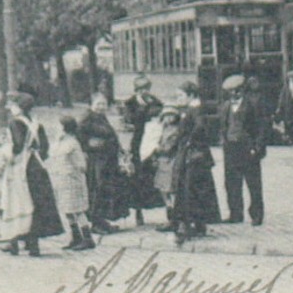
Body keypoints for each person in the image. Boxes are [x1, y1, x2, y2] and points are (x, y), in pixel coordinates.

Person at [0, 88, 64, 257]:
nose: (11, 108)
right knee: (36, 203)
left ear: (19, 107)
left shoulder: (15, 123)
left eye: (13, 105)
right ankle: (33, 245)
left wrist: (4, 152)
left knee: (14, 202)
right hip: (37, 167)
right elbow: (45, 148)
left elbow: (17, 146)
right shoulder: (35, 123)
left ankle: (14, 242)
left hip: (20, 168)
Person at [167, 82, 219, 243]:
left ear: (190, 95)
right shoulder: (193, 109)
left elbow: (200, 127)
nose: (178, 99)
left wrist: (189, 141)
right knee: (197, 189)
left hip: (193, 156)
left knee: (189, 190)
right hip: (196, 155)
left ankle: (187, 225)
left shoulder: (195, 109)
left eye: (181, 96)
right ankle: (198, 224)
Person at [220, 74, 269, 226]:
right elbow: (224, 127)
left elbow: (261, 127)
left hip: (247, 148)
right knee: (232, 183)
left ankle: (256, 215)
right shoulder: (226, 106)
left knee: (253, 183)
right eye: (231, 92)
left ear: (242, 90)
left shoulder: (252, 105)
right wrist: (224, 142)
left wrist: (257, 146)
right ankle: (235, 213)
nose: (234, 94)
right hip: (231, 148)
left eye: (237, 91)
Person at [78, 94, 129, 234]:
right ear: (91, 104)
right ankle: (95, 222)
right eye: (98, 104)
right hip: (97, 161)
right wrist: (89, 147)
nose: (101, 107)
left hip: (107, 160)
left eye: (104, 104)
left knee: (106, 189)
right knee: (97, 189)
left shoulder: (101, 117)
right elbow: (80, 138)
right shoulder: (87, 118)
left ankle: (103, 221)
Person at [122, 75, 165, 226]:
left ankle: (161, 207)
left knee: (153, 174)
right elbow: (129, 120)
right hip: (138, 141)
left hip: (151, 139)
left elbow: (160, 113)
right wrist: (142, 108)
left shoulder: (154, 101)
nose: (144, 92)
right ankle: (138, 211)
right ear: (136, 90)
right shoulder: (130, 103)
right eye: (141, 89)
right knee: (136, 176)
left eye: (146, 88)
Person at [48, 116, 94, 250]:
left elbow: (81, 165)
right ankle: (76, 237)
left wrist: (72, 172)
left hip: (72, 181)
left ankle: (87, 238)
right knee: (67, 210)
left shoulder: (72, 143)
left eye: (58, 126)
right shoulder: (58, 143)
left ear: (64, 128)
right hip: (60, 180)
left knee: (77, 210)